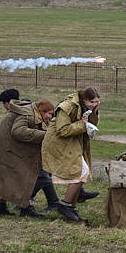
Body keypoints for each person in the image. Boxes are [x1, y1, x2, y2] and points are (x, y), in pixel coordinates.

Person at [0, 98, 55, 218]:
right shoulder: (28, 114)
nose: (50, 116)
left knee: (11, 176)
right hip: (6, 147)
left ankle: (0, 206)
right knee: (23, 176)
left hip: (6, 145)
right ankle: (26, 207)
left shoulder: (31, 112)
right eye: (49, 114)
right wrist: (46, 135)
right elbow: (18, 131)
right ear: (41, 111)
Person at [41, 86, 101, 222]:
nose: (95, 104)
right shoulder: (67, 107)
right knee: (81, 171)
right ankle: (65, 205)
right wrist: (82, 124)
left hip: (73, 142)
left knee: (79, 173)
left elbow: (90, 124)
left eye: (97, 102)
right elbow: (62, 130)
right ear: (84, 100)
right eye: (92, 102)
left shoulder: (86, 108)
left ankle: (71, 208)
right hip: (59, 143)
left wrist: (93, 113)